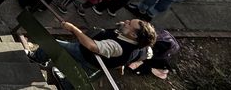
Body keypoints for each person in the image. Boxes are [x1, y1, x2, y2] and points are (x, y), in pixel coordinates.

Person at [28, 18, 158, 75]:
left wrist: (73, 28)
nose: (126, 22)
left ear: (134, 35)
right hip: (96, 59)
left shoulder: (117, 47)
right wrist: (121, 64)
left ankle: (37, 58)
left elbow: (92, 46)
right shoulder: (142, 47)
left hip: (87, 56)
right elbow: (145, 54)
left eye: (129, 24)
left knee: (51, 43)